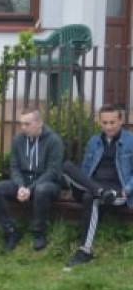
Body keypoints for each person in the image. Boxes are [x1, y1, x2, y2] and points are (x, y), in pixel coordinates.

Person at [61, 104, 133, 268]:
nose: (108, 127)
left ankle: (85, 251)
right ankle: (100, 192)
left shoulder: (131, 141)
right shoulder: (94, 141)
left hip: (117, 191)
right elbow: (86, 170)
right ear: (100, 122)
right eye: (104, 122)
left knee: (90, 198)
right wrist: (92, 187)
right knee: (66, 166)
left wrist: (126, 191)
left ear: (121, 121)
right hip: (94, 186)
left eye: (112, 122)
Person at [0, 108, 63, 251]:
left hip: (47, 184)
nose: (23, 128)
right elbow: (14, 167)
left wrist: (31, 188)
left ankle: (39, 233)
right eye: (22, 124)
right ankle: (11, 231)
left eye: (28, 124)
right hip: (23, 183)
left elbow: (53, 171)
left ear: (39, 123)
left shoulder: (54, 140)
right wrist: (21, 186)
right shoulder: (18, 140)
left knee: (42, 190)